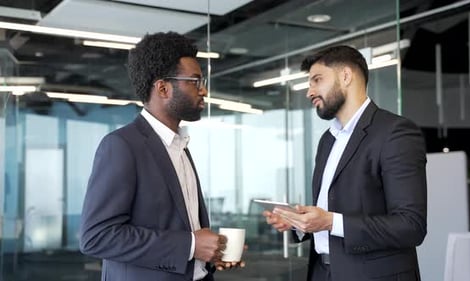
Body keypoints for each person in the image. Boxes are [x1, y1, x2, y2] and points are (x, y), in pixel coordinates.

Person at [80, 32, 238, 281]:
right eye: (195, 82)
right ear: (163, 88)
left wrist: (210, 251)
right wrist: (190, 245)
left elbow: (181, 227)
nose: (204, 90)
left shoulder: (179, 145)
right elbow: (97, 237)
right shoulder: (121, 146)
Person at [263, 45, 427, 281]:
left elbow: (411, 226)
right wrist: (298, 223)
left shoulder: (395, 133)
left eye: (317, 80)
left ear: (346, 76)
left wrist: (330, 222)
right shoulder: (328, 140)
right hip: (323, 272)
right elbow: (332, 208)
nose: (309, 92)